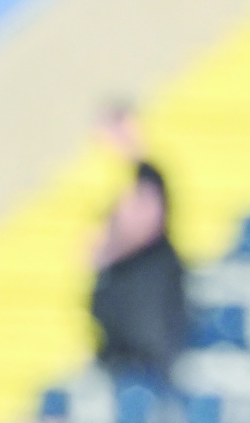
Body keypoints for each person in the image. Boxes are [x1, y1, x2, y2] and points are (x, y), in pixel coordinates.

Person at [91, 109, 187, 422]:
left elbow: (153, 190)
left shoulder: (154, 261)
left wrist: (131, 147)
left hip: (144, 369)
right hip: (127, 366)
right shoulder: (117, 271)